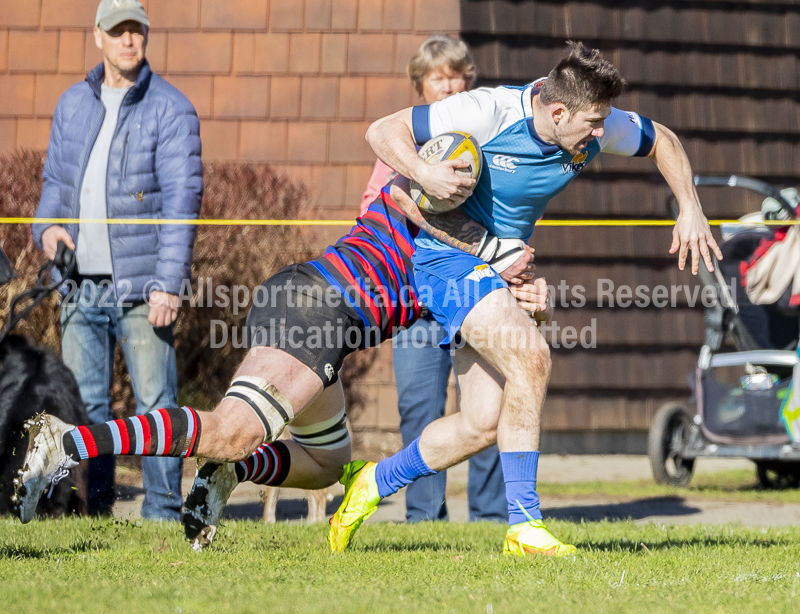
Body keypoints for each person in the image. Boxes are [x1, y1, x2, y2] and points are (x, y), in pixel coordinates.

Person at [328, 41, 723, 556]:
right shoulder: (486, 110)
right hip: (446, 258)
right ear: (557, 112)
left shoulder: (590, 126)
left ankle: (372, 482)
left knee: (482, 422)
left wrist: (689, 207)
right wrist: (424, 173)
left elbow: (663, 139)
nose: (602, 134)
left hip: (497, 269)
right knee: (531, 358)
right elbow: (381, 131)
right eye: (593, 123)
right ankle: (524, 525)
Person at [12, 179, 543, 548]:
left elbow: (486, 312)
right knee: (231, 430)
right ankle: (65, 442)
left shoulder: (466, 243)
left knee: (328, 462)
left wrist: (524, 297)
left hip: (319, 315)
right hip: (316, 311)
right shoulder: (431, 204)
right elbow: (396, 144)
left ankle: (226, 474)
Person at [30, 0, 202, 520]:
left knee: (155, 404)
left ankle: (164, 511)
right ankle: (93, 508)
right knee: (86, 409)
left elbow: (182, 202)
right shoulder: (72, 105)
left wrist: (168, 284)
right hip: (79, 285)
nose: (129, 40)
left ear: (145, 37)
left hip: (143, 287)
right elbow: (56, 185)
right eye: (118, 31)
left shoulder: (172, 108)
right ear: (98, 37)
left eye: (137, 31)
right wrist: (48, 227)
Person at [364, 35, 506, 523]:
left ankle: (490, 515)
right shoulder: (399, 144)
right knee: (419, 409)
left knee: (489, 410)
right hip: (418, 300)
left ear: (470, 81)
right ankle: (423, 517)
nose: (448, 87)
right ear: (419, 86)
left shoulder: (489, 139)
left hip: (479, 293)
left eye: (456, 76)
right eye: (436, 78)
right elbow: (372, 209)